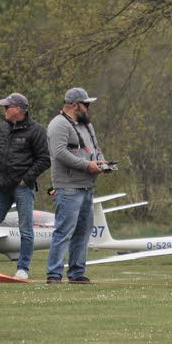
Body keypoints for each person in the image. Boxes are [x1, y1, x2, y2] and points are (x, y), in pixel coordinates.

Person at [0, 93, 50, 279]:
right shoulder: (2, 129)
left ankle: (23, 269)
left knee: (26, 230)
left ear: (18, 109)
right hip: (1, 188)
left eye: (7, 107)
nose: (4, 110)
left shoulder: (36, 130)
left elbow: (44, 159)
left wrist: (26, 179)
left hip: (23, 188)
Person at [46, 87, 106, 284]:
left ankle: (77, 273)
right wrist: (86, 165)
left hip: (87, 186)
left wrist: (102, 163)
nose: (88, 108)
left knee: (83, 232)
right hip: (68, 187)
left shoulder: (86, 126)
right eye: (85, 104)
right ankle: (54, 274)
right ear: (74, 105)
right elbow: (60, 153)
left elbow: (95, 149)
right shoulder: (58, 125)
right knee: (64, 231)